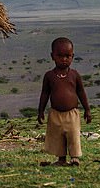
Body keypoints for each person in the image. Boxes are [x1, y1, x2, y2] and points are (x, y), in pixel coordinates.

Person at [37, 36, 92, 166]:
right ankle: (61, 159)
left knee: (73, 136)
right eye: (60, 56)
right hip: (55, 114)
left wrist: (87, 110)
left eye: (68, 56)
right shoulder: (49, 76)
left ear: (72, 56)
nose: (64, 59)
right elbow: (45, 94)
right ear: (52, 56)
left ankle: (74, 158)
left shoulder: (74, 75)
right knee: (57, 137)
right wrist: (40, 111)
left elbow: (81, 92)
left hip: (72, 114)